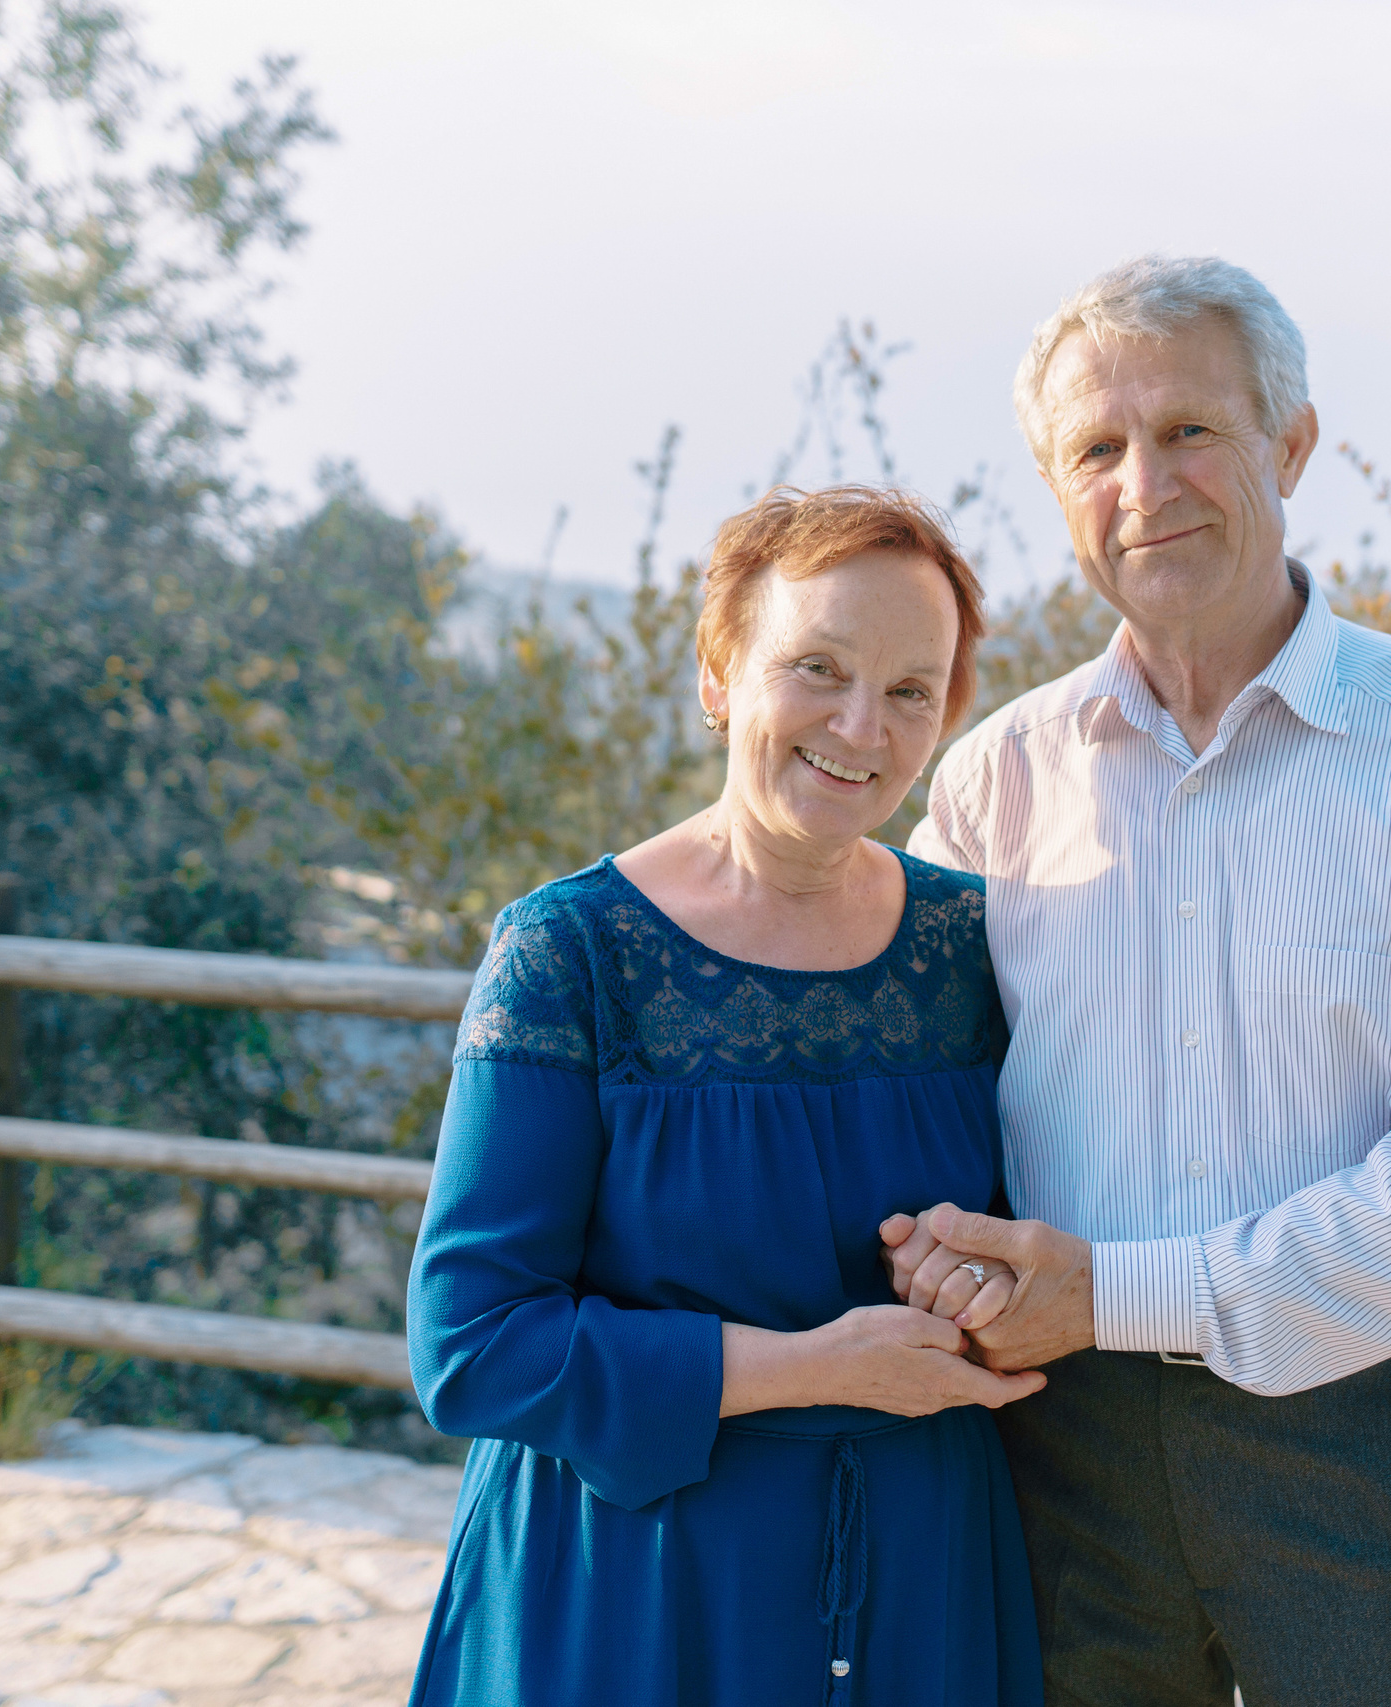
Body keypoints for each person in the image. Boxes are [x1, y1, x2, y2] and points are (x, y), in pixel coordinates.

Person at [889, 255, 1391, 1705]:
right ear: (1054, 483)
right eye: (1097, 447)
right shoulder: (993, 782)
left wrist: (1119, 1290)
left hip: (1373, 1439)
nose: (1146, 482)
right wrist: (945, 1260)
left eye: (1191, 429)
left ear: (1293, 444)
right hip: (1053, 1447)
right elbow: (924, 1109)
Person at [404, 486, 1045, 1706]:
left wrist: (983, 1278)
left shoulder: (977, 946)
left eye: (912, 689)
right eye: (817, 667)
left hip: (924, 1577)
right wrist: (815, 1365)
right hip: (633, 1598)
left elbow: (1045, 1220)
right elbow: (470, 1346)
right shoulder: (570, 952)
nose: (862, 726)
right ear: (717, 675)